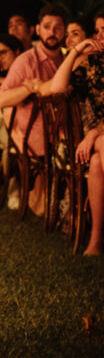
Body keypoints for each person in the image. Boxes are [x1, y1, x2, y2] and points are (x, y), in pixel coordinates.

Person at [0, 4, 67, 216]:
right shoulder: (26, 61)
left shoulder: (66, 60)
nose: (52, 32)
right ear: (38, 30)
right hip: (37, 136)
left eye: (57, 27)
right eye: (47, 27)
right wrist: (28, 90)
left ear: (64, 31)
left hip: (64, 132)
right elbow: (2, 99)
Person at [45, 36, 104, 254]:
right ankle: (96, 240)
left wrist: (92, 135)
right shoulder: (88, 67)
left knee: (99, 156)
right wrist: (77, 51)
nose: (101, 38)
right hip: (91, 140)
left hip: (96, 138)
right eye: (97, 32)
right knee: (97, 160)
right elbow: (56, 88)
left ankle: (96, 240)